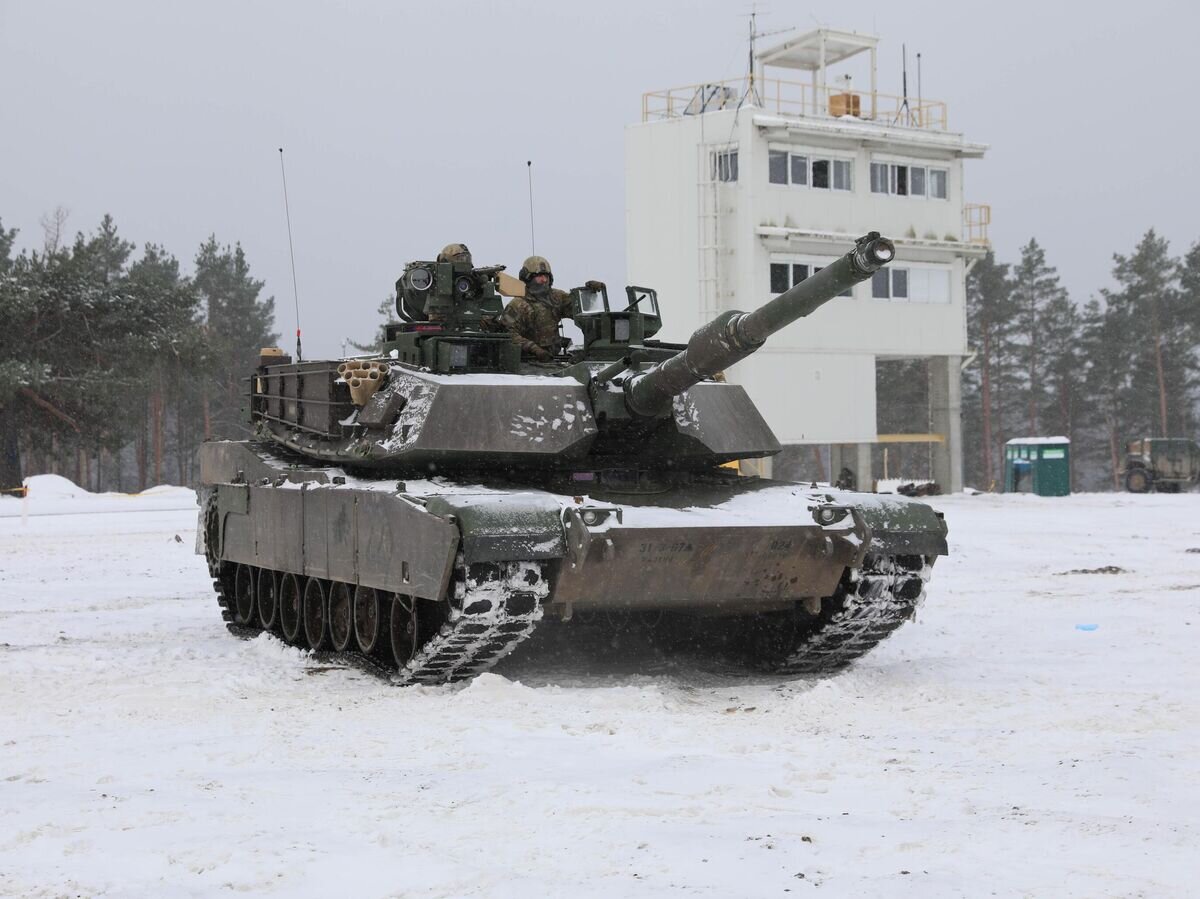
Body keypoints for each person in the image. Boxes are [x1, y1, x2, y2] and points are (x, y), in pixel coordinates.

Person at [498, 255, 601, 361]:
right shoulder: (518, 304)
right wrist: (534, 349)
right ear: (528, 278)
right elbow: (508, 335)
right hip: (527, 361)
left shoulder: (556, 297)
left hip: (554, 359)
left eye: (546, 276)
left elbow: (579, 312)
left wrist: (590, 294)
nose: (544, 280)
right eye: (539, 276)